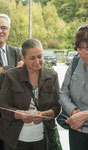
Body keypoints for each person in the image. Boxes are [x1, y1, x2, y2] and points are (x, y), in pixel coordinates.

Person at [0, 38, 61, 150]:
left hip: (43, 138)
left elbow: (57, 106)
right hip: (15, 140)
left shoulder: (52, 76)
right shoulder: (11, 76)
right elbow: (3, 107)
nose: (37, 61)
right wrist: (19, 115)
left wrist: (44, 115)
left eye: (40, 57)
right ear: (22, 57)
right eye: (32, 58)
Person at [0, 14, 23, 150]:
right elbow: (17, 72)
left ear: (9, 30)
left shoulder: (16, 52)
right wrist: (12, 69)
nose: (0, 31)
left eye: (4, 28)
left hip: (13, 115)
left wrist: (3, 70)